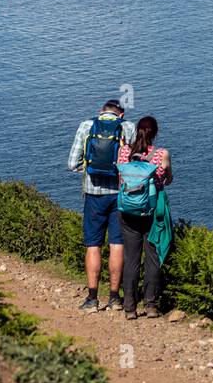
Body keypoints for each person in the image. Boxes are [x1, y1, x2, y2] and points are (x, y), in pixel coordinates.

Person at [68, 99, 136, 313]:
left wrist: (90, 170)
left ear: (101, 112)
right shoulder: (128, 127)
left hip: (93, 194)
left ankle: (92, 299)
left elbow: (72, 164)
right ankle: (115, 298)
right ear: (121, 115)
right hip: (119, 195)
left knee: (93, 245)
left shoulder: (86, 126)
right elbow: (131, 162)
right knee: (117, 244)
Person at [117, 116, 172, 320]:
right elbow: (169, 179)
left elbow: (120, 180)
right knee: (153, 257)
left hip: (128, 211)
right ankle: (151, 305)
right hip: (152, 211)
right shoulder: (161, 154)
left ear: (137, 131)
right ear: (155, 133)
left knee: (131, 259)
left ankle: (130, 307)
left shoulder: (124, 152)